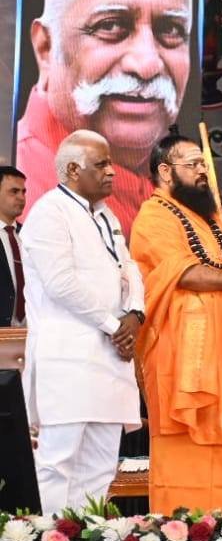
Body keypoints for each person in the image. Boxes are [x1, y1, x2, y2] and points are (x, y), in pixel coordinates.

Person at [17, 0, 193, 234]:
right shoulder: (26, 197)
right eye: (111, 25)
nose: (147, 64)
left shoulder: (173, 185)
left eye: (170, 29)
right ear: (45, 48)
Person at [131, 134, 222, 513]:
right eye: (192, 164)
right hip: (183, 361)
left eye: (203, 164)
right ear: (165, 171)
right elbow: (187, 273)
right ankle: (183, 535)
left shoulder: (211, 221)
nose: (202, 171)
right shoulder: (153, 216)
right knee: (186, 452)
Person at [22, 132, 144, 514]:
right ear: (73, 170)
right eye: (102, 165)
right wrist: (114, 325)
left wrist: (136, 315)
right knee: (59, 464)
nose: (112, 172)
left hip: (109, 360)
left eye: (110, 163)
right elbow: (62, 284)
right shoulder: (49, 212)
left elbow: (131, 269)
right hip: (68, 360)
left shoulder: (105, 215)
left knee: (101, 466)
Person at [0, 168, 26, 327]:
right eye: (14, 191)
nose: (21, 198)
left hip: (31, 334)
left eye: (24, 192)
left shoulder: (31, 235)